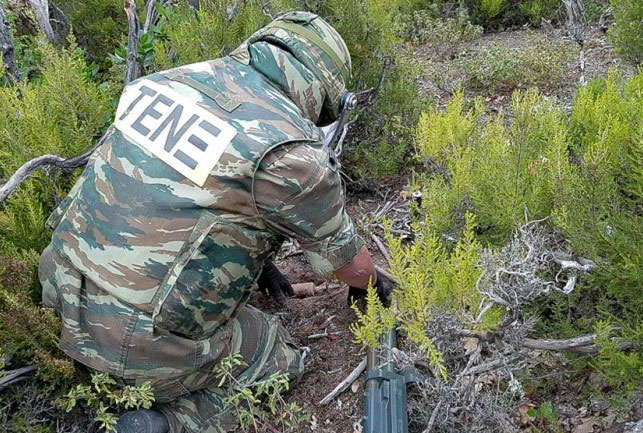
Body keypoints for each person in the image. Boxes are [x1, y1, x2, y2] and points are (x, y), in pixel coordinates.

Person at [38, 11, 389, 433]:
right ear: (322, 91)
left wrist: (260, 264)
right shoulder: (293, 155)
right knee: (278, 356)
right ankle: (168, 422)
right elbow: (354, 268)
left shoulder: (162, 83)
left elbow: (175, 194)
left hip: (57, 291)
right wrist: (368, 285)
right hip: (132, 345)